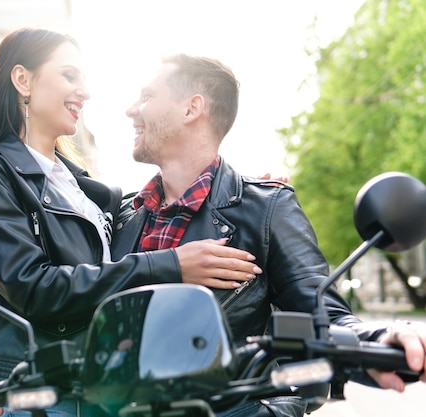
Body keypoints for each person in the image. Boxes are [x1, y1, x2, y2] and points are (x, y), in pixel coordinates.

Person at [0, 28, 262, 417]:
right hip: (33, 389)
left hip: (98, 389)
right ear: (22, 80)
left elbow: (165, 207)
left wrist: (248, 194)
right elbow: (34, 288)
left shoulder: (88, 190)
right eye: (69, 75)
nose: (85, 90)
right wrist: (173, 265)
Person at [112, 53, 426, 416]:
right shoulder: (122, 216)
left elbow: (321, 310)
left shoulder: (265, 208)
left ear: (191, 108)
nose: (131, 110)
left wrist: (378, 339)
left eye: (147, 96)